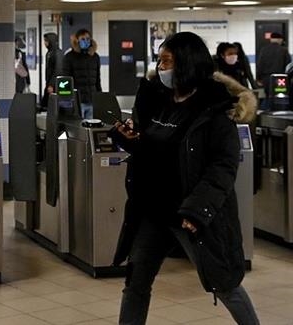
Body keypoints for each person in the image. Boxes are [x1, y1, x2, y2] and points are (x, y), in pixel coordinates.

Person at [110, 32, 259, 325]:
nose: (160, 67)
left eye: (166, 61)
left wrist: (197, 210)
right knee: (136, 282)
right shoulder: (158, 99)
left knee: (224, 284)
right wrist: (128, 140)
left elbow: (223, 167)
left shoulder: (216, 109)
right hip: (154, 211)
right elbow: (151, 150)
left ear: (186, 63)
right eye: (159, 61)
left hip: (189, 213)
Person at [62, 28, 102, 118]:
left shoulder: (95, 57)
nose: (86, 41)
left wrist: (99, 97)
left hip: (92, 100)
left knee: (90, 124)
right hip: (77, 100)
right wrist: (67, 99)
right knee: (78, 125)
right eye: (82, 39)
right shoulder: (69, 57)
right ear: (77, 40)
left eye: (88, 39)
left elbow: (97, 79)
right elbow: (66, 79)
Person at [256, 32, 291, 108]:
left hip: (266, 78)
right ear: (280, 39)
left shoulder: (264, 50)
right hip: (280, 78)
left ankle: (267, 110)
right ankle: (278, 110)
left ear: (271, 39)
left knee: (268, 95)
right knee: (279, 96)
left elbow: (260, 64)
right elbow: (288, 65)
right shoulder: (283, 50)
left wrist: (258, 78)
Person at [41, 32, 64, 109]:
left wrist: (51, 84)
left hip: (55, 85)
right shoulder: (49, 53)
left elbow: (58, 70)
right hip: (49, 83)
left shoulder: (57, 53)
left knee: (53, 106)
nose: (45, 43)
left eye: (46, 41)